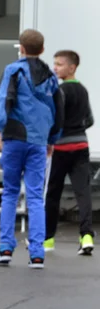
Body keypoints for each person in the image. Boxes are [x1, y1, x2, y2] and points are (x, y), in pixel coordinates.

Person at [0, 29, 64, 268]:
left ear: (20, 48)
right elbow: (58, 110)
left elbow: (4, 100)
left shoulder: (14, 70)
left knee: (10, 192)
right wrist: (52, 139)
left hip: (14, 137)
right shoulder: (51, 77)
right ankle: (37, 253)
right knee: (35, 196)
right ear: (42, 50)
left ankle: (5, 248)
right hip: (39, 141)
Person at [45, 50, 94, 255]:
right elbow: (90, 120)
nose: (55, 67)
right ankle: (86, 236)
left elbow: (55, 119)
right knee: (83, 193)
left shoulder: (59, 90)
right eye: (54, 64)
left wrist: (51, 138)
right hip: (81, 147)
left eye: (60, 64)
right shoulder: (83, 90)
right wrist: (77, 128)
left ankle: (47, 240)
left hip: (61, 148)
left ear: (72, 68)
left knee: (53, 193)